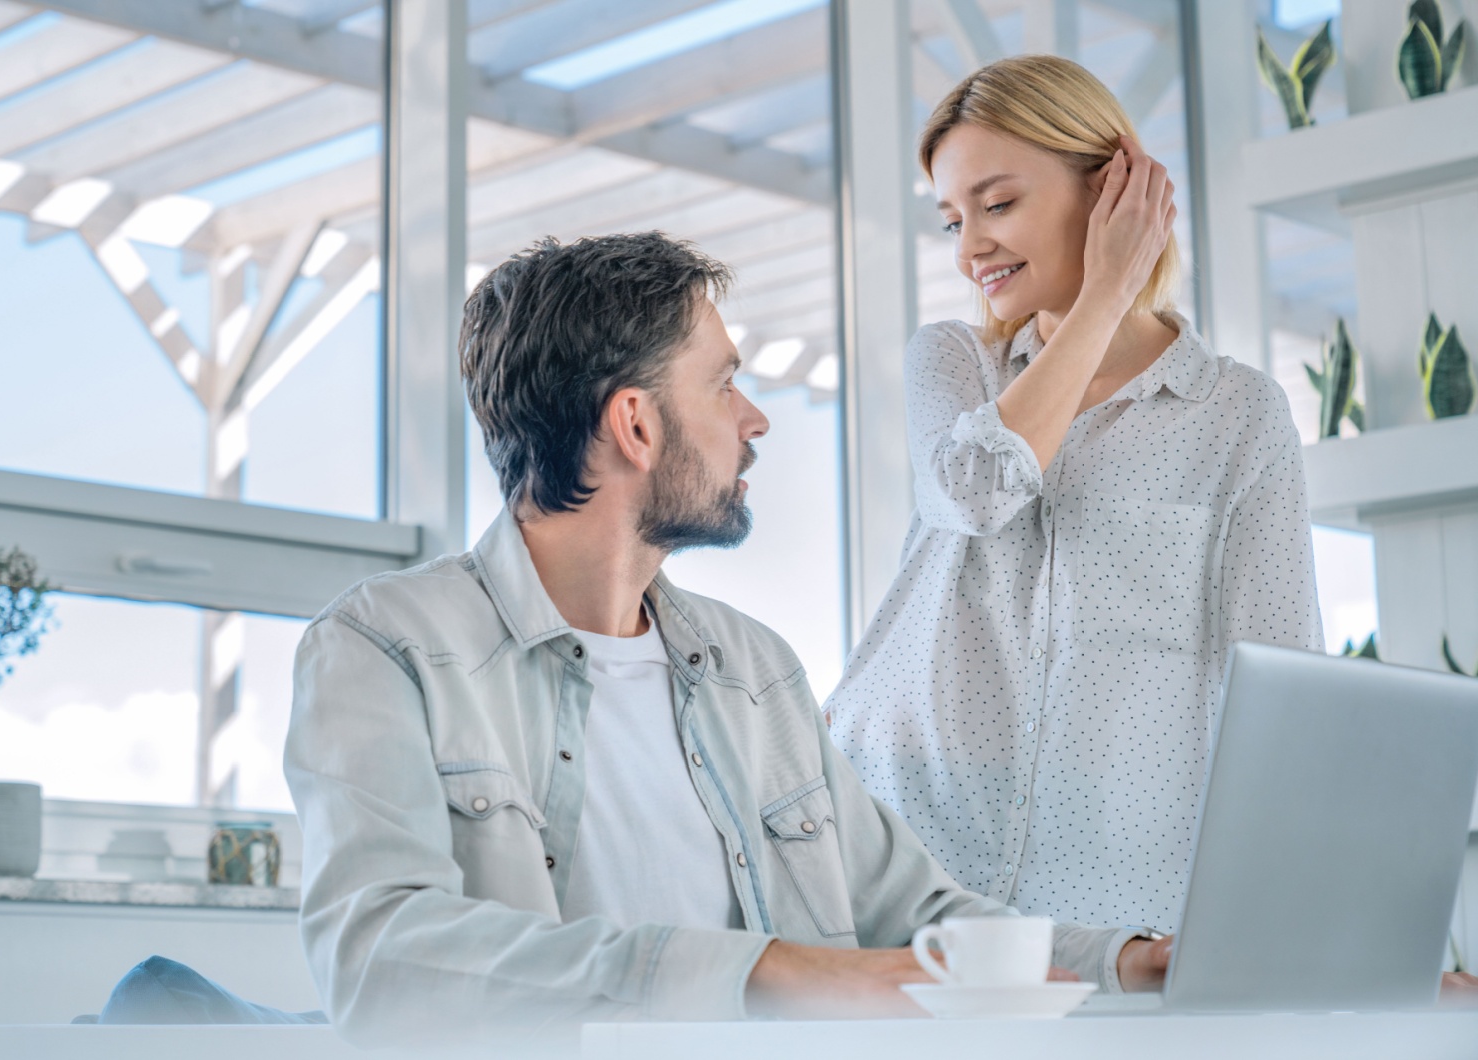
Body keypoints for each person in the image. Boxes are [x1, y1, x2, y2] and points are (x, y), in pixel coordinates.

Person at [283, 232, 1170, 1046]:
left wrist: (1130, 962)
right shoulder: (384, 646)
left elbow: (921, 915)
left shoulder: (755, 669)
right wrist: (775, 976)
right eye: (723, 383)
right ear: (635, 424)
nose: (755, 419)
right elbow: (383, 959)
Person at [826, 55, 1323, 935]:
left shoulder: (1237, 412)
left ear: (1112, 190)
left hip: (1118, 892)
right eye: (952, 219)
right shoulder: (954, 361)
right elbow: (976, 494)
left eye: (999, 202)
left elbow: (1279, 682)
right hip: (911, 859)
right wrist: (1104, 297)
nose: (970, 245)